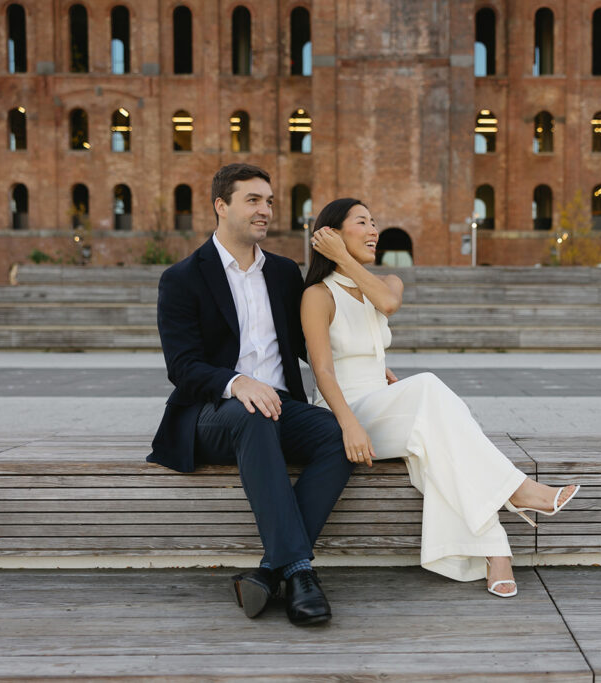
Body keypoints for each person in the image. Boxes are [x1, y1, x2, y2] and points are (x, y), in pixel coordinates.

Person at [300, 198, 579, 597]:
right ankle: (518, 492)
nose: (374, 230)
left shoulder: (386, 284)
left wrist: (346, 261)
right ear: (332, 234)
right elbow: (323, 371)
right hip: (344, 415)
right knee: (429, 387)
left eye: (375, 220)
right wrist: (348, 424)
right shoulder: (317, 296)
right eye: (362, 221)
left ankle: (496, 551)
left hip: (388, 408)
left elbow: (389, 302)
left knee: (442, 446)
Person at [148, 163, 354, 626]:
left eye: (270, 201)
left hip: (283, 408)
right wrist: (238, 382)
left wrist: (367, 364)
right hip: (214, 414)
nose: (266, 210)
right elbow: (181, 367)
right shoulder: (182, 278)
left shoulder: (283, 273)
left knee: (339, 434)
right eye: (254, 200)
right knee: (252, 413)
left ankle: (269, 571)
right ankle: (301, 572)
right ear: (221, 206)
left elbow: (309, 342)